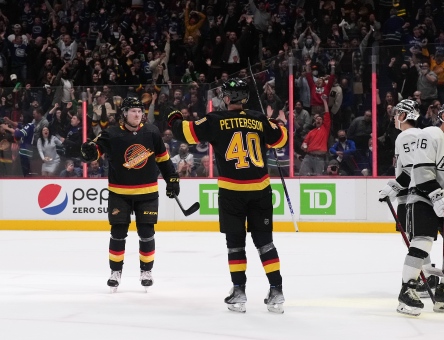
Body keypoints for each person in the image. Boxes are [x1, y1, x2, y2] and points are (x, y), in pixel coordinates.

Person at [168, 78, 288, 314]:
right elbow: (281, 137)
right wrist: (275, 122)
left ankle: (239, 292)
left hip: (232, 192)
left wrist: (173, 117)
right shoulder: (257, 118)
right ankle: (277, 291)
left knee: (235, 244)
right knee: (265, 242)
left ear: (227, 98)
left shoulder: (215, 120)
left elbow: (185, 133)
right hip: (260, 190)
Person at [80, 97, 180, 292]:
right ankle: (115, 272)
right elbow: (96, 149)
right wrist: (90, 152)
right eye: (133, 111)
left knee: (146, 233)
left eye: (140, 111)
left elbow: (163, 159)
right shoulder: (112, 134)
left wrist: (172, 179)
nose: (137, 114)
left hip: (148, 193)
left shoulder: (151, 132)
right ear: (124, 113)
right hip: (120, 194)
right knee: (118, 234)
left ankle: (146, 272)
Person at [399, 100, 444, 315]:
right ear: (443, 116)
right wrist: (437, 195)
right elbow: (422, 170)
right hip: (423, 196)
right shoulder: (430, 135)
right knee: (422, 241)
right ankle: (407, 290)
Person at [378, 99, 439, 315]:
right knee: (418, 237)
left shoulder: (407, 135)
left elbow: (413, 168)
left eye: (397, 114)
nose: (395, 117)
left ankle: (425, 278)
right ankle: (427, 275)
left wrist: (394, 187)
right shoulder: (416, 135)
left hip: (414, 195)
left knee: (417, 238)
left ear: (404, 116)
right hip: (416, 194)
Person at [299, 95, 331, 176]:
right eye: (317, 119)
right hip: (308, 157)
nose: (318, 120)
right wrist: (304, 147)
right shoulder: (311, 132)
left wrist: (324, 101)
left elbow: (327, 113)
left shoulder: (325, 128)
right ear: (314, 121)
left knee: (318, 177)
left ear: (323, 121)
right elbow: (304, 144)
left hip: (319, 158)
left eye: (320, 119)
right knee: (302, 174)